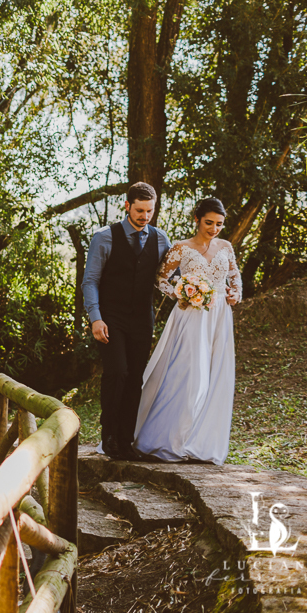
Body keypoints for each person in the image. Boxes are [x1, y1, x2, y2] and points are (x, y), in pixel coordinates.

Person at [132, 198, 242, 464]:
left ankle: (200, 443)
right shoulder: (181, 247)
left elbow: (234, 277)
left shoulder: (225, 247)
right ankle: (171, 440)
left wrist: (235, 293)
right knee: (190, 374)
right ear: (197, 219)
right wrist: (179, 293)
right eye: (209, 223)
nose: (214, 229)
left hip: (219, 317)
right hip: (191, 314)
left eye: (219, 224)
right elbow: (161, 278)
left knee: (215, 375)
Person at [81, 182, 171, 460]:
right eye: (140, 210)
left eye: (150, 211)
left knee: (134, 378)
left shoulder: (161, 239)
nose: (145, 216)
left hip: (142, 320)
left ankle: (126, 440)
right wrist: (96, 318)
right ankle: (109, 436)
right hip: (111, 318)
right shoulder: (104, 237)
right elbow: (90, 281)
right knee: (117, 372)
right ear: (127, 206)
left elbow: (170, 277)